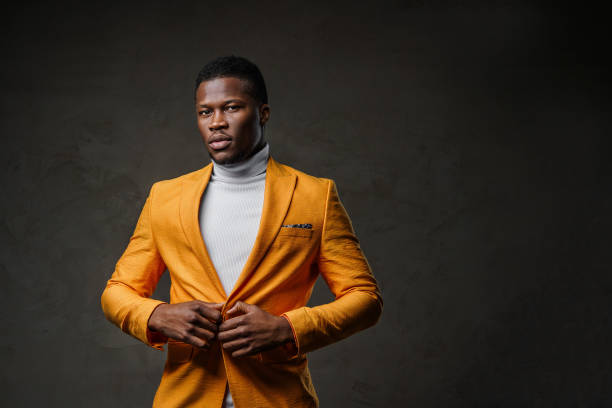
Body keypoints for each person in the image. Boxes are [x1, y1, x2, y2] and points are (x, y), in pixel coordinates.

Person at [101, 55, 382, 408]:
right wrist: (157, 315)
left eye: (231, 108)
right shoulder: (165, 197)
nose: (217, 122)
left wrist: (287, 328)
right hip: (185, 397)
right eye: (206, 112)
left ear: (262, 113)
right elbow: (118, 291)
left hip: (278, 398)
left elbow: (365, 299)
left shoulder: (316, 196)